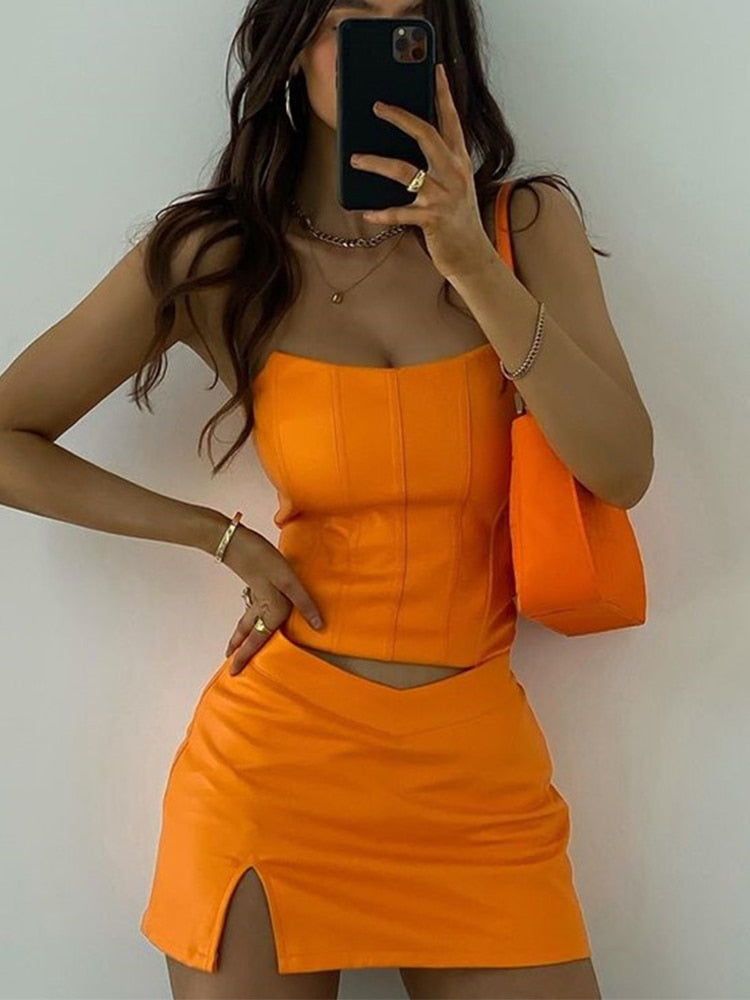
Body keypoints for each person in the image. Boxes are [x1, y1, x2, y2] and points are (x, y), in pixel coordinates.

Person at [0, 1, 653, 997]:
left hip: (478, 778)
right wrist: (218, 537)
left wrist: (470, 262)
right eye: (344, 21)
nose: (370, 48)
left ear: (438, 51)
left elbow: (624, 467)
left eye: (404, 22)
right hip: (274, 775)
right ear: (288, 46)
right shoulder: (218, 258)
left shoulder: (523, 228)